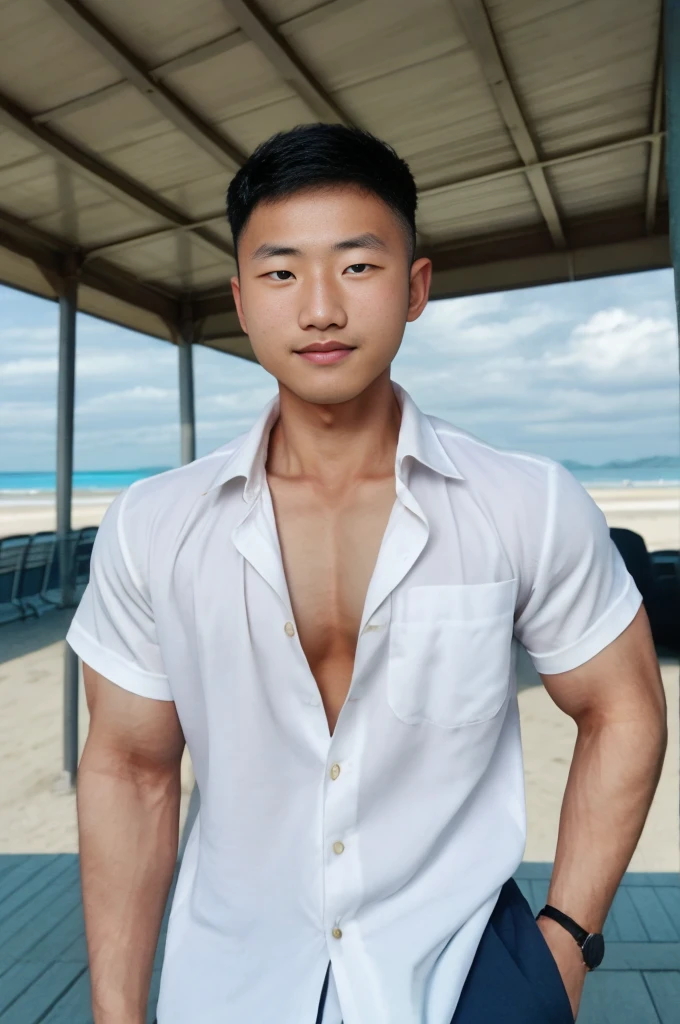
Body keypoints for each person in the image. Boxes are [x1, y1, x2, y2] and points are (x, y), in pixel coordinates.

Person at [66, 123, 667, 1024]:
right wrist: (118, 1016)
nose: (319, 309)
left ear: (415, 286)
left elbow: (622, 708)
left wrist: (566, 944)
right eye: (280, 272)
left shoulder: (524, 502)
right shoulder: (155, 524)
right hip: (232, 982)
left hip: (467, 971)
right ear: (240, 297)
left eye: (356, 266)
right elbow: (129, 769)